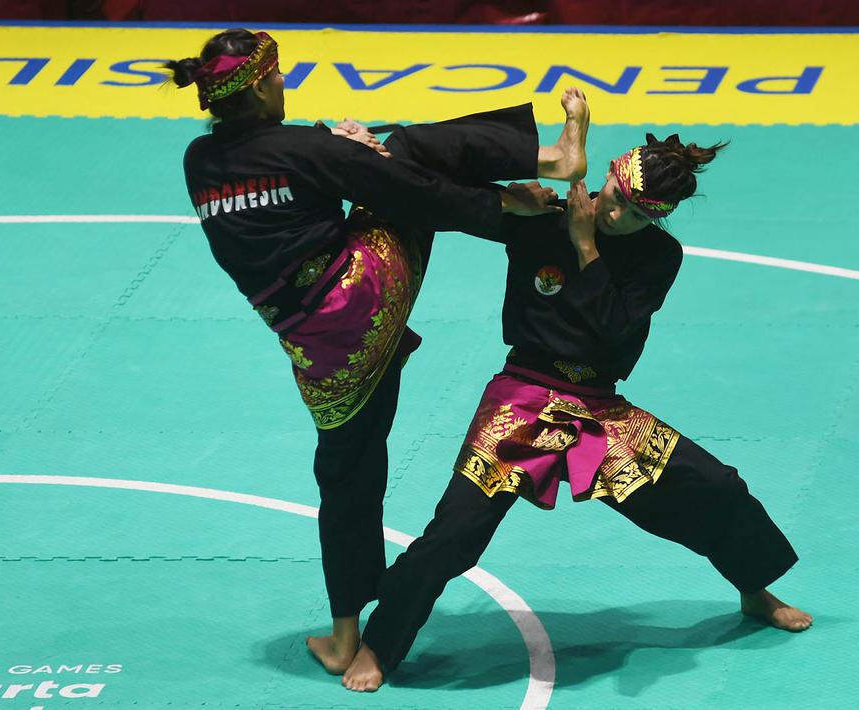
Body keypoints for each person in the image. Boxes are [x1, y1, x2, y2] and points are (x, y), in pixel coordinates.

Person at [164, 28, 592, 673]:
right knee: (405, 147)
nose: (284, 83)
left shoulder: (199, 160)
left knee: (346, 474)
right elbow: (415, 194)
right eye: (278, 75)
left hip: (313, 348)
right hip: (360, 297)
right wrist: (510, 208)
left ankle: (343, 637)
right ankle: (551, 160)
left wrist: (337, 152)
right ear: (258, 86)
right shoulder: (306, 148)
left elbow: (285, 171)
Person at [342, 134, 813, 692]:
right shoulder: (540, 217)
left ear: (657, 220)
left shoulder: (660, 256)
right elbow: (449, 197)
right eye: (615, 197)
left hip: (601, 409)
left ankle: (755, 589)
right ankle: (380, 642)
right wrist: (379, 156)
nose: (616, 215)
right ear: (606, 177)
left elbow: (613, 327)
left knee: (715, 488)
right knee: (454, 533)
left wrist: (586, 245)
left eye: (636, 214)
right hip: (522, 397)